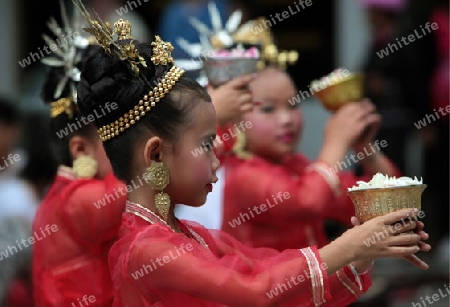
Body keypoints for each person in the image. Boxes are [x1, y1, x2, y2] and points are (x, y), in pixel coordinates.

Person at [75, 12, 430, 305]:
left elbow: (268, 271)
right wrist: (350, 246)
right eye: (206, 144)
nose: (218, 159)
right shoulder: (146, 249)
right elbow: (255, 291)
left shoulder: (190, 235)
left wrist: (361, 252)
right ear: (154, 153)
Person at [220, 66, 403, 250]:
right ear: (235, 119)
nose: (286, 119)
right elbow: (307, 203)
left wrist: (365, 147)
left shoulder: (298, 166)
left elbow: (385, 202)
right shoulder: (243, 175)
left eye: (293, 105)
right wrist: (336, 143)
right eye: (268, 109)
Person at [32, 4, 126, 306]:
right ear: (81, 149)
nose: (134, 149)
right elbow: (149, 182)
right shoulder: (79, 199)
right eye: (120, 138)